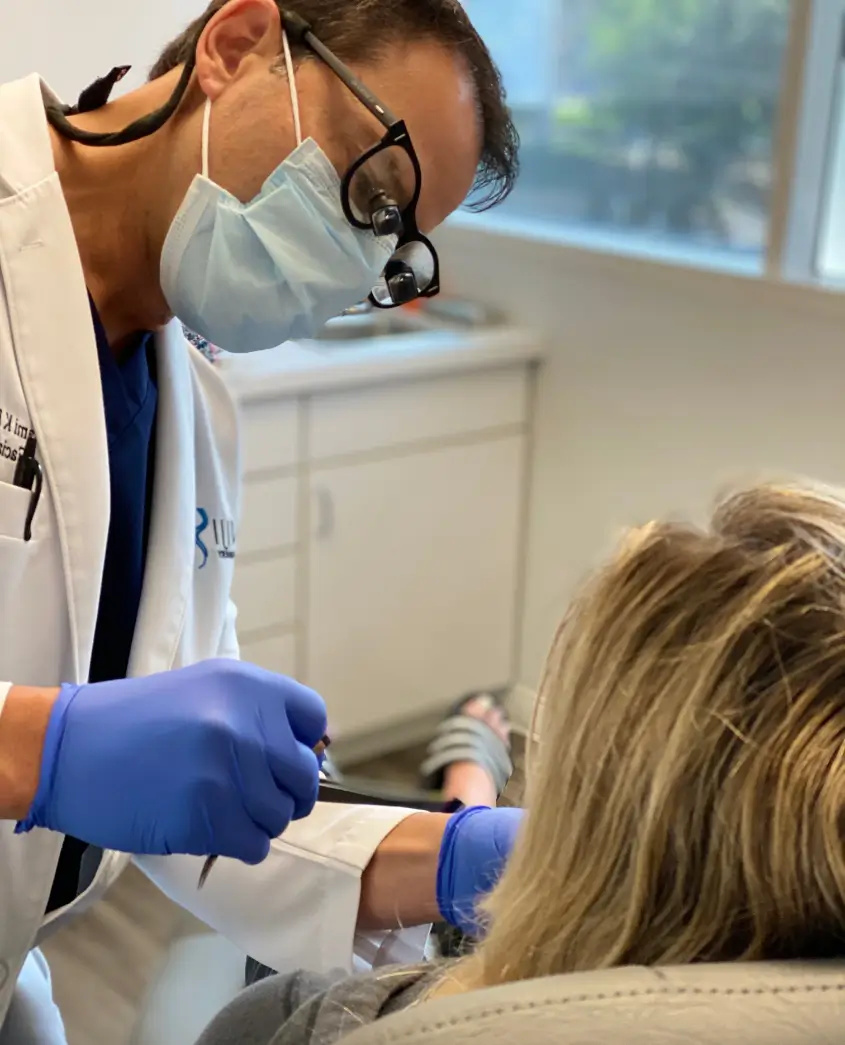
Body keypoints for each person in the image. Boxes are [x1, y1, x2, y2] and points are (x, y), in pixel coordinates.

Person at [0, 1, 522, 1040]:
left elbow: (196, 810)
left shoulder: (195, 402)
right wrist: (37, 750)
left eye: (394, 247)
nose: (358, 263)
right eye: (371, 191)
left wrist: (453, 858)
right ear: (236, 48)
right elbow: (81, 756)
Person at [193, 480, 845, 1045]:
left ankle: (458, 778)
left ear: (585, 801)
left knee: (322, 939)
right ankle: (464, 785)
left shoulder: (311, 1022)